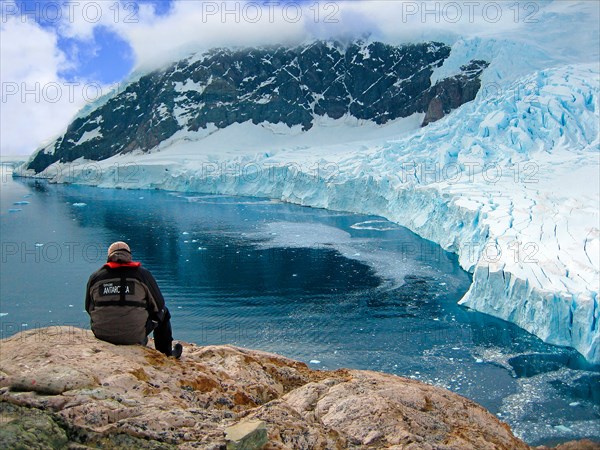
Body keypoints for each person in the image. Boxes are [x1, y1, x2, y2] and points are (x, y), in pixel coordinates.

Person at [85, 241, 182, 358]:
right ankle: (166, 353)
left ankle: (108, 329)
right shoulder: (142, 275)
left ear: (109, 256)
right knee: (163, 311)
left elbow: (89, 307)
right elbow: (159, 304)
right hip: (134, 336)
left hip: (102, 335)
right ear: (129, 256)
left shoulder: (96, 277)